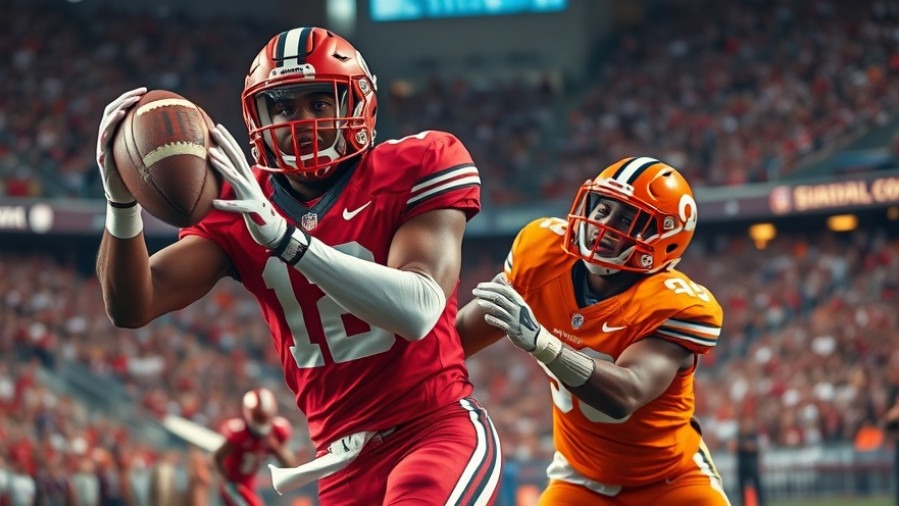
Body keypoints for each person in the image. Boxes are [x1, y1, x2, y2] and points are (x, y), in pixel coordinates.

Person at [95, 26, 501, 505]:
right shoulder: (240, 202)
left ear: (357, 105)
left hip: (434, 431)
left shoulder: (418, 162)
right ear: (256, 115)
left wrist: (287, 240)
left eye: (319, 103)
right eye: (284, 107)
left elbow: (418, 309)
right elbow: (132, 305)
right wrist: (120, 203)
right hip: (341, 461)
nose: (299, 120)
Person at [457, 157, 730, 505]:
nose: (604, 227)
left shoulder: (674, 304)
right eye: (602, 210)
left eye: (629, 220)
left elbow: (626, 394)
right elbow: (453, 342)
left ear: (665, 239)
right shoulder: (542, 253)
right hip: (580, 481)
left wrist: (544, 344)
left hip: (672, 482)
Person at [212, 388, 295, 506]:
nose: (261, 423)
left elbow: (289, 465)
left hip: (250, 484)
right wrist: (228, 480)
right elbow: (217, 456)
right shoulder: (239, 433)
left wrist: (275, 448)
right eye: (258, 418)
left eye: (264, 419)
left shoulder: (276, 432)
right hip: (234, 485)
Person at [733, 414, 765, 506]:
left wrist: (741, 446)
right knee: (741, 487)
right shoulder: (739, 435)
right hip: (742, 465)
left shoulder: (753, 435)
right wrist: (744, 446)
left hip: (752, 465)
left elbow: (752, 447)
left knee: (757, 487)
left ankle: (761, 503)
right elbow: (733, 447)